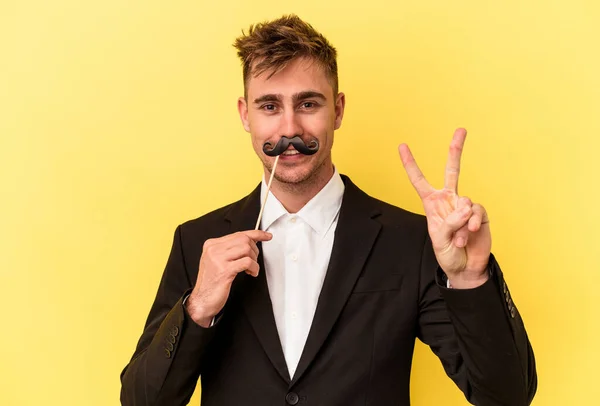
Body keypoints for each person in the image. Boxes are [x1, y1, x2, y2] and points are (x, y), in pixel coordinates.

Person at [120, 14, 537, 406]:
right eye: (269, 106)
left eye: (307, 104)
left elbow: (506, 396)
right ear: (246, 116)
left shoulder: (411, 242)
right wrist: (197, 307)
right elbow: (142, 401)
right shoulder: (196, 242)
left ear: (337, 110)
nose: (289, 130)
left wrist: (468, 278)